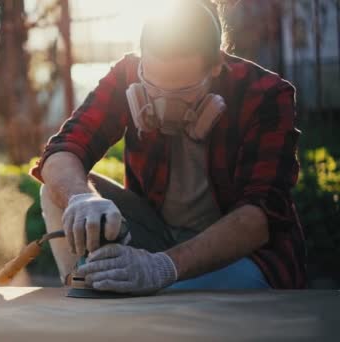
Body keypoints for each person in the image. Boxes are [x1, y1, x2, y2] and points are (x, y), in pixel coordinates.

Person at [29, 0, 306, 294]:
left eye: (182, 91)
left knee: (162, 293)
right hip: (159, 237)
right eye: (152, 87)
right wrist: (81, 199)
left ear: (216, 66)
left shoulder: (265, 95)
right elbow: (63, 151)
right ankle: (89, 291)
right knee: (56, 191)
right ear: (142, 62)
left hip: (243, 257)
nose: (163, 104)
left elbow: (257, 217)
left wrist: (162, 268)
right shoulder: (126, 74)